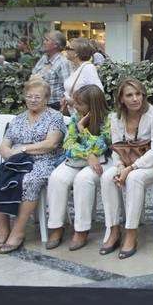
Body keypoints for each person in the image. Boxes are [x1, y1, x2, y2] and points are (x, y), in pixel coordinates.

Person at [0, 78, 65, 254]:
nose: (32, 100)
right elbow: (5, 145)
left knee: (30, 181)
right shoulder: (18, 119)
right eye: (29, 96)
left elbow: (51, 144)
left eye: (37, 97)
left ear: (46, 98)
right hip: (17, 162)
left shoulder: (55, 117)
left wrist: (22, 149)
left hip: (44, 161)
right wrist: (7, 153)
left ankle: (18, 232)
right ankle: (2, 231)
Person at [100, 78, 153, 259]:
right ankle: (114, 230)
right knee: (107, 177)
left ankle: (131, 233)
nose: (135, 99)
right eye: (129, 95)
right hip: (127, 164)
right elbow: (116, 148)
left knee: (134, 178)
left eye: (138, 94)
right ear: (121, 99)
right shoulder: (115, 118)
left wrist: (130, 168)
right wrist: (119, 167)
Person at [45, 83, 109, 251]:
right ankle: (56, 226)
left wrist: (83, 130)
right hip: (78, 160)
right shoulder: (74, 118)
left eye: (80, 104)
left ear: (92, 105)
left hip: (101, 163)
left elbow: (101, 146)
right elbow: (68, 144)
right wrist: (88, 155)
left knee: (83, 180)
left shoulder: (108, 120)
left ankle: (81, 229)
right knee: (57, 178)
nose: (75, 107)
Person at [31, 30, 72, 111]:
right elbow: (33, 75)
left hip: (54, 105)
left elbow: (68, 87)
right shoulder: (44, 58)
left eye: (47, 40)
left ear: (56, 45)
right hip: (38, 103)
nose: (44, 42)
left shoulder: (62, 62)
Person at [62, 38, 103, 112]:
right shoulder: (74, 68)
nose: (66, 50)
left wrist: (75, 102)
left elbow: (98, 92)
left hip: (82, 115)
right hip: (73, 113)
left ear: (76, 53)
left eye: (68, 48)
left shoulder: (88, 68)